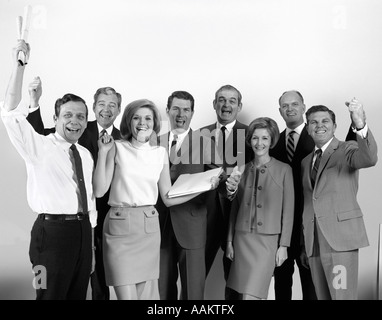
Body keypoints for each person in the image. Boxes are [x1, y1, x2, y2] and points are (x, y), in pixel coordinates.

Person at [93, 98, 221, 300]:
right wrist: (102, 153)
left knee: (147, 297)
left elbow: (168, 198)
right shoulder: (116, 147)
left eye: (148, 118)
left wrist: (205, 186)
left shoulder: (160, 153)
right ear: (129, 121)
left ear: (154, 123)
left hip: (149, 227)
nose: (142, 123)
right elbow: (100, 191)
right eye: (136, 117)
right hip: (119, 226)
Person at [1, 40, 96, 300]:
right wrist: (20, 66)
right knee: (48, 295)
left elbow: (90, 201)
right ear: (55, 119)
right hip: (50, 236)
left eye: (80, 116)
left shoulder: (85, 155)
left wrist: (90, 245)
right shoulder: (39, 146)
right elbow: (8, 112)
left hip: (82, 234)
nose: (74, 121)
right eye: (67, 115)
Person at [27, 79, 122, 300]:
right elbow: (35, 136)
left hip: (96, 223)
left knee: (90, 285)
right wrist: (34, 103)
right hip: (54, 229)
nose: (106, 109)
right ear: (95, 105)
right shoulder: (73, 129)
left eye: (112, 104)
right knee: (48, 290)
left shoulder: (123, 139)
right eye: (101, 103)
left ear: (118, 109)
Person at [300, 102, 378, 300]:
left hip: (340, 242)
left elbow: (368, 158)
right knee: (323, 297)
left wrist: (360, 125)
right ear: (308, 128)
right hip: (314, 243)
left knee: (341, 296)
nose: (319, 125)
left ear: (334, 126)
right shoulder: (306, 161)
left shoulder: (347, 149)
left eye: (325, 121)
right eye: (313, 122)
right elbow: (310, 201)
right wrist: (304, 243)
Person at [156, 90, 226, 300]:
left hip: (193, 224)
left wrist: (227, 184)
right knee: (162, 289)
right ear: (167, 111)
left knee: (193, 290)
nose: (181, 114)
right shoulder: (154, 142)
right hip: (159, 224)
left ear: (192, 113)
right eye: (176, 108)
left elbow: (219, 178)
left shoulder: (205, 142)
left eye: (186, 109)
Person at [226, 117, 294, 300]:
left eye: (265, 138)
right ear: (250, 140)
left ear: (271, 140)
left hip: (267, 242)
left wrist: (284, 246)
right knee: (246, 295)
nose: (259, 143)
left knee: (252, 294)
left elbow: (288, 211)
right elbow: (235, 207)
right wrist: (229, 241)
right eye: (255, 138)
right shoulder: (241, 169)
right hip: (242, 239)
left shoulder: (284, 170)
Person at [200, 84, 250, 299]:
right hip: (205, 217)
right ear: (214, 104)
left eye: (231, 100)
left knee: (236, 279)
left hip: (238, 216)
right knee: (195, 275)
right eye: (221, 100)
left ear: (239, 106)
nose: (226, 104)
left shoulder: (251, 135)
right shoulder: (199, 135)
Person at [269, 90, 317, 300]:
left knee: (311, 285)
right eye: (285, 106)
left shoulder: (318, 136)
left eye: (294, 104)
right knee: (281, 285)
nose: (290, 109)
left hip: (310, 223)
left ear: (303, 107)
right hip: (281, 227)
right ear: (280, 111)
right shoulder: (273, 142)